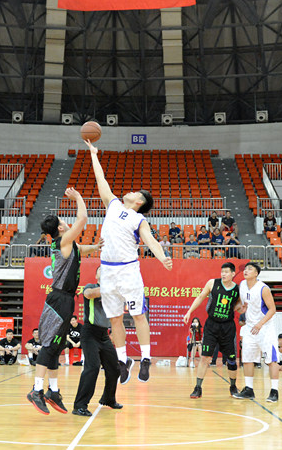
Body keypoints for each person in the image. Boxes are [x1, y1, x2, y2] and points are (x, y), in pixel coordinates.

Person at [85, 139, 173, 384]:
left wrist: (163, 258)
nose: (130, 191)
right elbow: (100, 179)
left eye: (135, 192)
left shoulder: (138, 219)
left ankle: (145, 358)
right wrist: (94, 154)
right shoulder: (113, 204)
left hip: (128, 270)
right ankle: (123, 360)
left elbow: (151, 241)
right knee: (114, 319)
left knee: (138, 315)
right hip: (108, 271)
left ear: (139, 201)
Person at [26, 187, 99, 415]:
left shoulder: (67, 244)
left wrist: (96, 248)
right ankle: (36, 390)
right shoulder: (64, 240)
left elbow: (80, 249)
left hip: (65, 299)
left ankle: (53, 391)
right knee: (49, 345)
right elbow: (83, 219)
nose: (67, 223)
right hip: (59, 299)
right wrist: (78, 197)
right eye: (63, 221)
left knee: (57, 346)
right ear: (60, 228)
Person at [183, 262, 242, 399]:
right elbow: (200, 297)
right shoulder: (212, 283)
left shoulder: (237, 289)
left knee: (231, 359)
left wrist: (240, 308)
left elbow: (238, 304)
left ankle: (233, 386)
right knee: (205, 357)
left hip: (227, 327)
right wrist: (189, 312)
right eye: (222, 272)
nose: (223, 274)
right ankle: (198, 388)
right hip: (212, 325)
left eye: (226, 272)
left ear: (233, 274)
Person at [72, 267, 122, 416]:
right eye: (100, 269)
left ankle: (108, 398)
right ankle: (79, 405)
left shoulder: (112, 293)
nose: (104, 270)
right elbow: (88, 294)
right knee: (92, 367)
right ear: (96, 275)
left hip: (104, 335)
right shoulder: (91, 287)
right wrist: (111, 287)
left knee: (114, 368)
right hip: (89, 333)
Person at [233, 263, 280, 402]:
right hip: (249, 327)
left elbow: (272, 309)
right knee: (247, 359)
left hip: (265, 328)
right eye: (245, 269)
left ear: (256, 273)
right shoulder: (242, 285)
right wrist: (240, 308)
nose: (246, 271)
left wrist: (260, 323)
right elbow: (240, 304)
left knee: (271, 360)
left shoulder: (263, 288)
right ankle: (249, 389)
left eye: (250, 269)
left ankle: (274, 391)